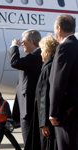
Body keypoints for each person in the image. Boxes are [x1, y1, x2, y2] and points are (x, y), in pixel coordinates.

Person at [8, 29, 43, 148]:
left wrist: (14, 46)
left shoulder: (37, 56)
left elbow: (15, 62)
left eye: (23, 41)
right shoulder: (33, 57)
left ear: (31, 41)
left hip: (30, 108)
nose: (21, 44)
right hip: (27, 107)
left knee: (30, 142)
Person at [49, 14, 78, 150]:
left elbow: (58, 82)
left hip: (67, 112)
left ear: (59, 28)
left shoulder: (64, 47)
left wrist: (54, 112)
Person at [31, 34, 59, 150]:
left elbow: (44, 97)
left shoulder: (48, 67)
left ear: (47, 51)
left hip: (46, 122)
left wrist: (44, 123)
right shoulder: (55, 65)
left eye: (42, 50)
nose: (40, 53)